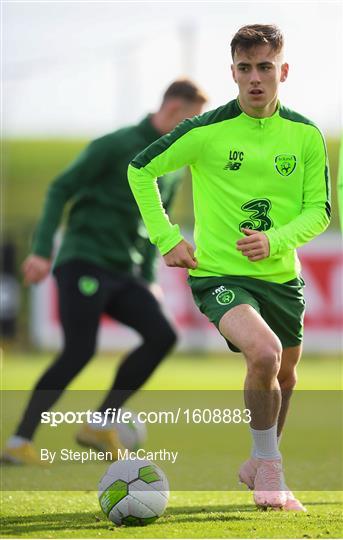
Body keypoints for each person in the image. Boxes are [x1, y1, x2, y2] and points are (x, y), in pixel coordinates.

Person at [128, 25, 330, 511]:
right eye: (245, 68)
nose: (255, 78)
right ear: (233, 72)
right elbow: (141, 169)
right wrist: (167, 237)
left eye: (265, 67)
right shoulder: (206, 131)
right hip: (219, 273)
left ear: (283, 71)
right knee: (264, 354)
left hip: (282, 276)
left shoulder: (305, 134)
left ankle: (258, 461)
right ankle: (272, 472)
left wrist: (275, 240)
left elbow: (319, 210)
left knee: (285, 376)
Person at [2, 79, 207, 465]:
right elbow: (60, 188)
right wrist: (43, 249)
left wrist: (148, 278)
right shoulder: (116, 144)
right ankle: (19, 441)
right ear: (175, 111)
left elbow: (155, 224)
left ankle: (99, 422)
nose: (194, 130)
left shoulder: (174, 164)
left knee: (162, 335)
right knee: (80, 350)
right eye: (192, 121)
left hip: (125, 271)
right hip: (84, 259)